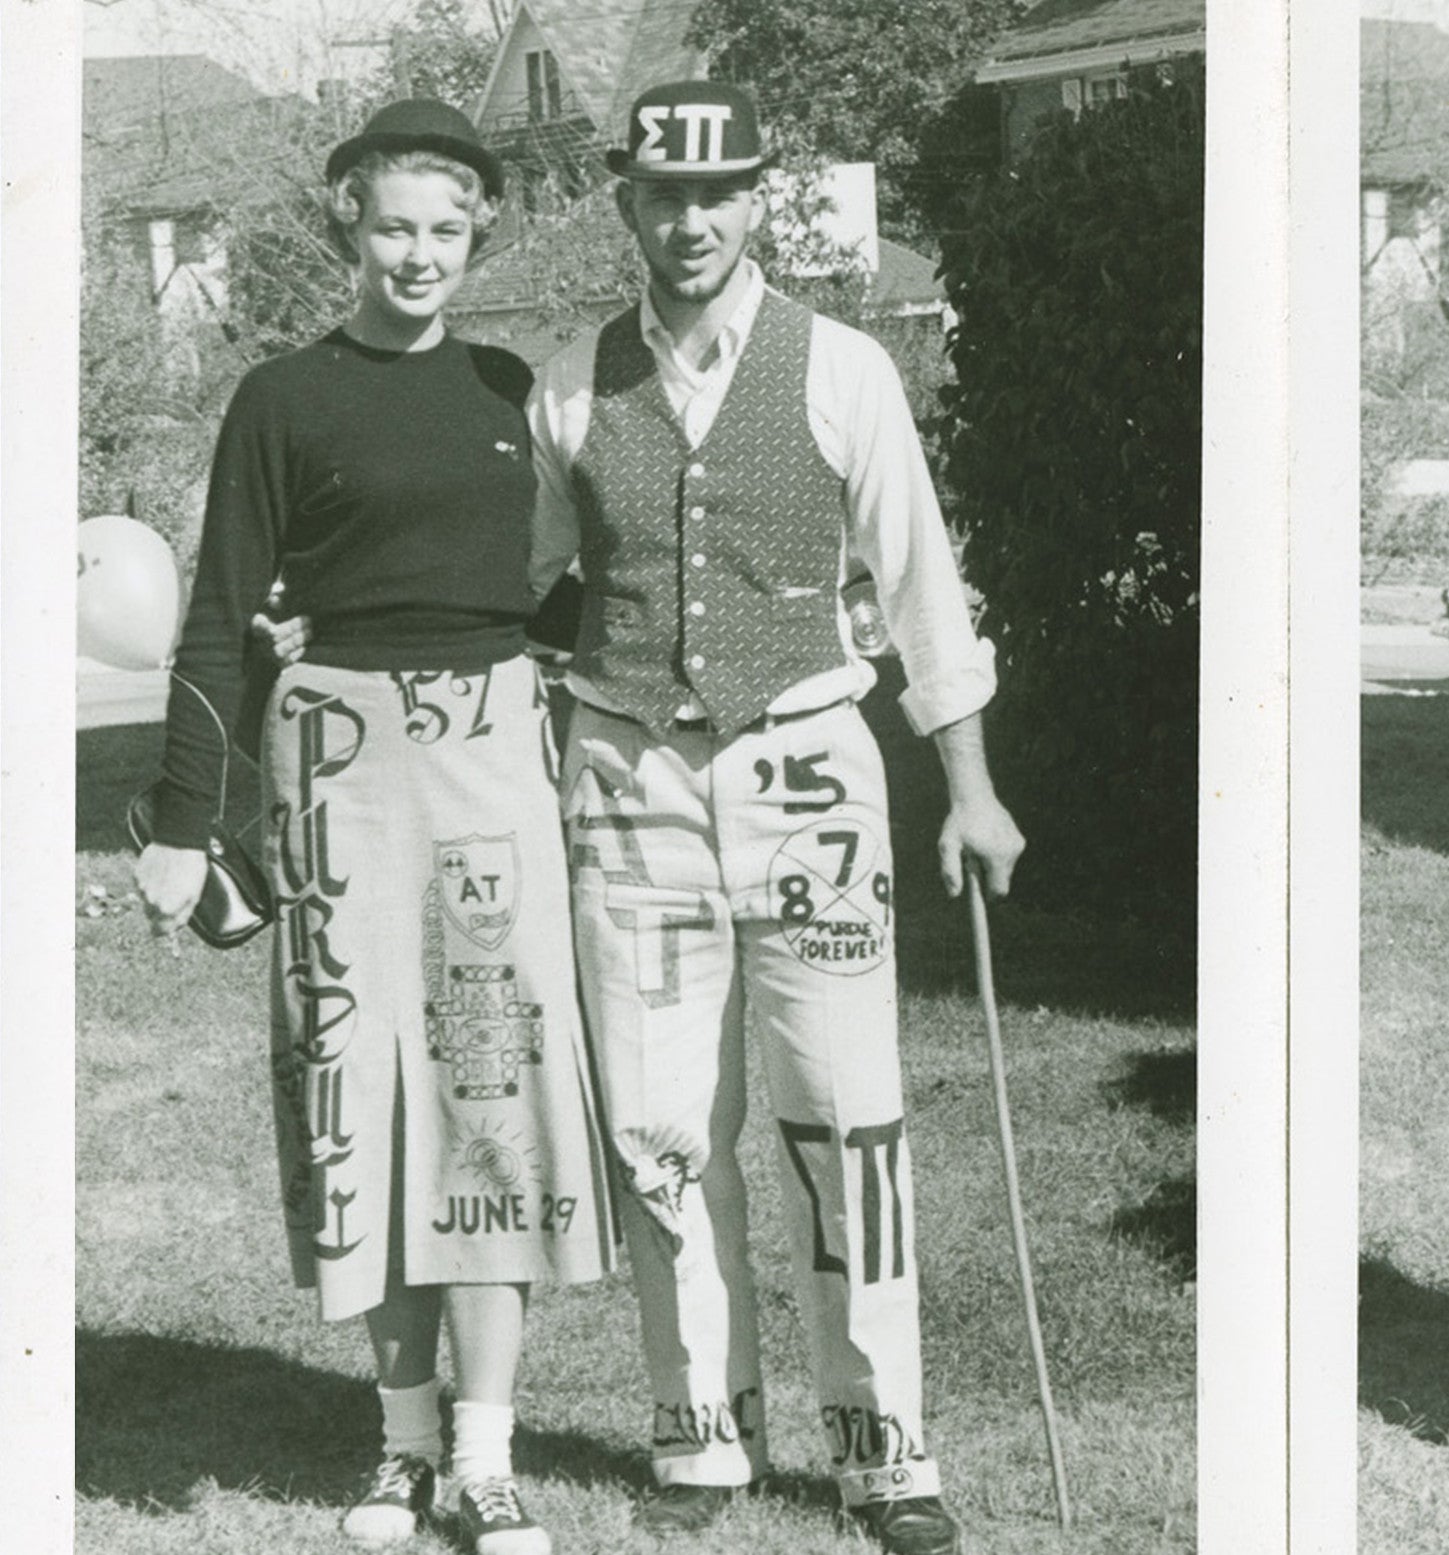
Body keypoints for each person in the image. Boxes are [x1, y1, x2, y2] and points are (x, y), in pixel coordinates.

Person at [525, 81, 1024, 1553]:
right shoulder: (568, 382)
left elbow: (922, 581)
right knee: (665, 1129)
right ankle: (702, 1431)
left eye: (720, 194)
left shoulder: (844, 369)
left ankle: (882, 1445)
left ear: (757, 202)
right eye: (666, 197)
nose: (692, 222)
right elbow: (532, 594)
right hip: (630, 779)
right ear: (628, 204)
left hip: (809, 770)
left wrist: (973, 787)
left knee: (843, 1119)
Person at [131, 100, 612, 1555]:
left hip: (489, 765)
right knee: (364, 1097)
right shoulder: (282, 397)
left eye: (448, 229)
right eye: (394, 224)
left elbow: (569, 594)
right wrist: (177, 819)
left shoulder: (507, 385)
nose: (419, 253)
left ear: (479, 238)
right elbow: (220, 617)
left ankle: (485, 1454)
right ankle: (399, 1450)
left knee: (488, 1085)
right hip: (336, 761)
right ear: (350, 220)